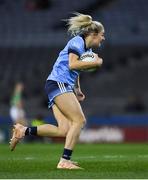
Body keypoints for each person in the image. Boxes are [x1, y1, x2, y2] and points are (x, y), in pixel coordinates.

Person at [10, 13, 105, 169]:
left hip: (58, 85)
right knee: (79, 121)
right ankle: (64, 161)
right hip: (58, 83)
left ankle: (23, 130)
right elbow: (72, 65)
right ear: (93, 35)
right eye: (102, 35)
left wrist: (77, 89)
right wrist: (94, 63)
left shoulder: (83, 45)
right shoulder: (77, 42)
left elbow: (75, 69)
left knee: (64, 129)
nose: (103, 38)